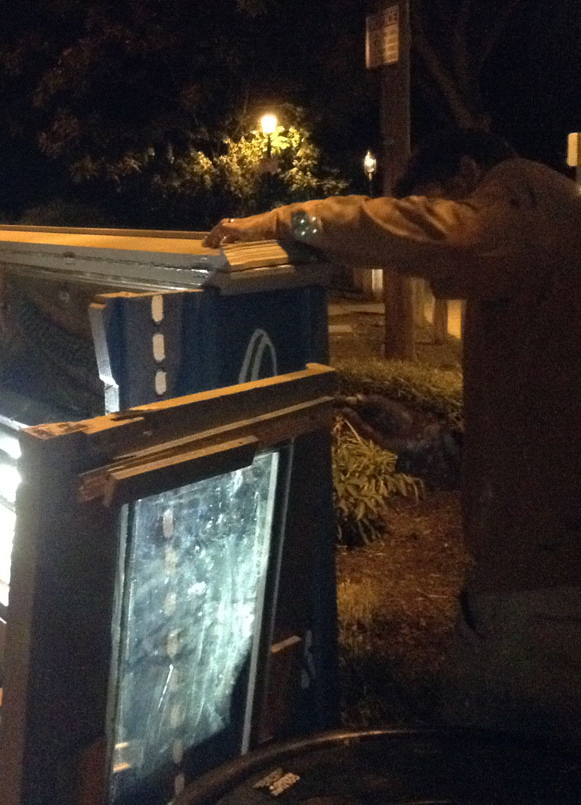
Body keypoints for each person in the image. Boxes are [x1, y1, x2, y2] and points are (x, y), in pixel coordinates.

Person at [204, 130, 581, 747]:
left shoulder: (526, 197)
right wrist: (427, 441)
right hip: (528, 582)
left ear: (467, 174)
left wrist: (285, 221)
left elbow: (446, 236)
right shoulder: (540, 275)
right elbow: (535, 434)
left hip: (550, 597)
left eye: (442, 201)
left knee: (492, 766)